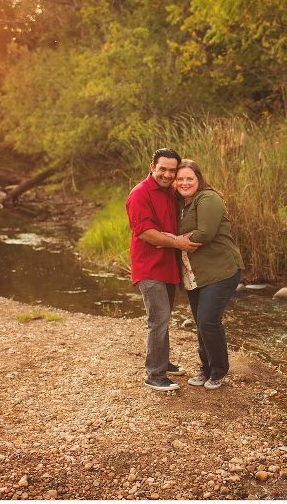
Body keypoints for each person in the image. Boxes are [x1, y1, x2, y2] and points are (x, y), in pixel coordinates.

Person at [125, 148, 202, 391]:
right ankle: (154, 375)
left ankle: (163, 362)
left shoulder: (171, 192)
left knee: (164, 316)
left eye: (172, 170)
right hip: (149, 266)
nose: (167, 174)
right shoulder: (139, 194)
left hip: (168, 265)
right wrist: (177, 242)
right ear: (152, 167)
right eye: (163, 169)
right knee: (158, 319)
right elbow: (146, 232)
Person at [175, 160, 245, 390]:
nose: (184, 183)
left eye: (189, 178)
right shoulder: (181, 202)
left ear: (199, 179)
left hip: (222, 269)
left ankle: (218, 371)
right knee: (200, 322)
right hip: (196, 272)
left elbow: (205, 233)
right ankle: (205, 369)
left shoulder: (208, 198)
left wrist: (172, 241)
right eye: (180, 179)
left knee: (208, 321)